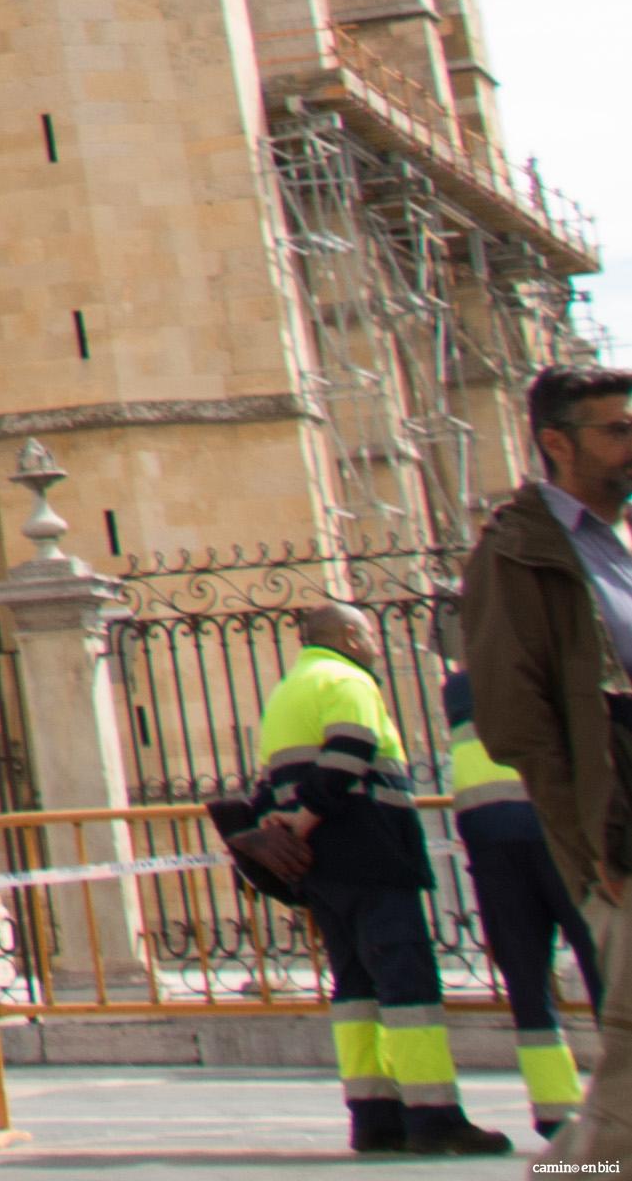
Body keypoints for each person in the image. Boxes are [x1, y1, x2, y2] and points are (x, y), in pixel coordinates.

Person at [252, 600, 500, 1155]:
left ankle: (373, 1116)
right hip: (372, 852)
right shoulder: (347, 680)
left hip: (317, 866)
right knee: (407, 985)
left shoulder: (286, 692)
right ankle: (435, 1117)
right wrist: (309, 813)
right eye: (365, 633)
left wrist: (289, 823)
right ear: (346, 636)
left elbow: (270, 781)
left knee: (356, 988)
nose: (372, 644)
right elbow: (350, 752)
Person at [467, 361, 632, 1169]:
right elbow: (512, 719)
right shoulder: (520, 550)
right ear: (556, 444)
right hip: (618, 848)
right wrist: (590, 848)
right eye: (617, 430)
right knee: (626, 1095)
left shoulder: (623, 543)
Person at [442, 662, 596, 1139]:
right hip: (559, 837)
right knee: (609, 974)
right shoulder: (552, 671)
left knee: (528, 987)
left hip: (493, 849)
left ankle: (554, 1112)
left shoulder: (461, 688)